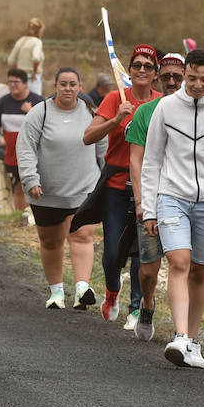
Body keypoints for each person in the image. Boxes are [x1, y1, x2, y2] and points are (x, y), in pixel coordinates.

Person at [139, 49, 204, 368]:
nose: (196, 85)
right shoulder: (166, 107)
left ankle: (193, 341)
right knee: (178, 261)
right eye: (191, 78)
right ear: (184, 75)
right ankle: (180, 336)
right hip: (172, 195)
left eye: (203, 79)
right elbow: (152, 160)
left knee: (199, 269)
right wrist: (150, 209)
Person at [83, 44, 162, 324]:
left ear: (156, 73)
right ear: (128, 70)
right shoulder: (115, 97)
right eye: (137, 65)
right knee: (114, 250)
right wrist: (117, 117)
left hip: (149, 185)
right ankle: (112, 291)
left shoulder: (162, 103)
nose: (142, 70)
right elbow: (88, 136)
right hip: (117, 183)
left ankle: (136, 307)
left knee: (143, 250)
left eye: (148, 66)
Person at [17, 68, 108, 309]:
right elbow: (25, 148)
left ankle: (81, 288)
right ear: (55, 86)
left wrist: (105, 180)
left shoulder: (91, 113)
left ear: (80, 87)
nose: (68, 88)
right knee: (50, 241)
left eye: (73, 84)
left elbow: (102, 148)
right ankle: (56, 292)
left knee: (83, 235)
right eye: (63, 84)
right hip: (46, 192)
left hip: (84, 188)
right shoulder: (40, 113)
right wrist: (30, 179)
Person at [124, 51, 186, 341]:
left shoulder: (197, 111)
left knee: (181, 263)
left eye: (177, 76)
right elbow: (136, 160)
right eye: (167, 76)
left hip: (184, 200)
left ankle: (182, 333)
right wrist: (141, 202)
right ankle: (147, 304)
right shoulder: (146, 112)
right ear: (159, 78)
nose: (172, 81)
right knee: (148, 270)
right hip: (153, 197)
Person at [0, 69, 41, 224]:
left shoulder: (37, 101)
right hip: (12, 154)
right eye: (10, 82)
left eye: (16, 82)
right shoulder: (3, 102)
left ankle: (35, 218)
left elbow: (46, 126)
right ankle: (20, 219)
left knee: (33, 188)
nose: (12, 85)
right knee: (18, 188)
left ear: (25, 84)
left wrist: (31, 113)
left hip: (34, 153)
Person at [8, 18, 44, 97]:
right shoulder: (37, 42)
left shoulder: (21, 40)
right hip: (31, 76)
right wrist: (34, 73)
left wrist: (17, 71)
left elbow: (11, 60)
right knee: (36, 101)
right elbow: (36, 58)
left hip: (20, 77)